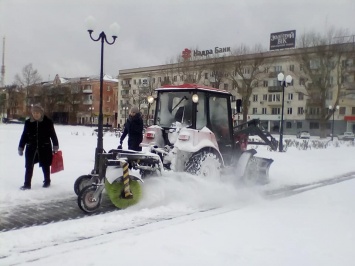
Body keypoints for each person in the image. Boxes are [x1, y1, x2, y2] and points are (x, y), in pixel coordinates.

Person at [18, 104, 59, 190]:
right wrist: (21, 147)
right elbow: (24, 135)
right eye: (34, 112)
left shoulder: (48, 122)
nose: (36, 114)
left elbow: (53, 134)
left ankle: (47, 181)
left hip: (44, 147)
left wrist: (55, 145)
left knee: (45, 165)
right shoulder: (28, 122)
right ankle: (27, 184)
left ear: (41, 113)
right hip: (31, 148)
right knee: (29, 166)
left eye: (37, 112)